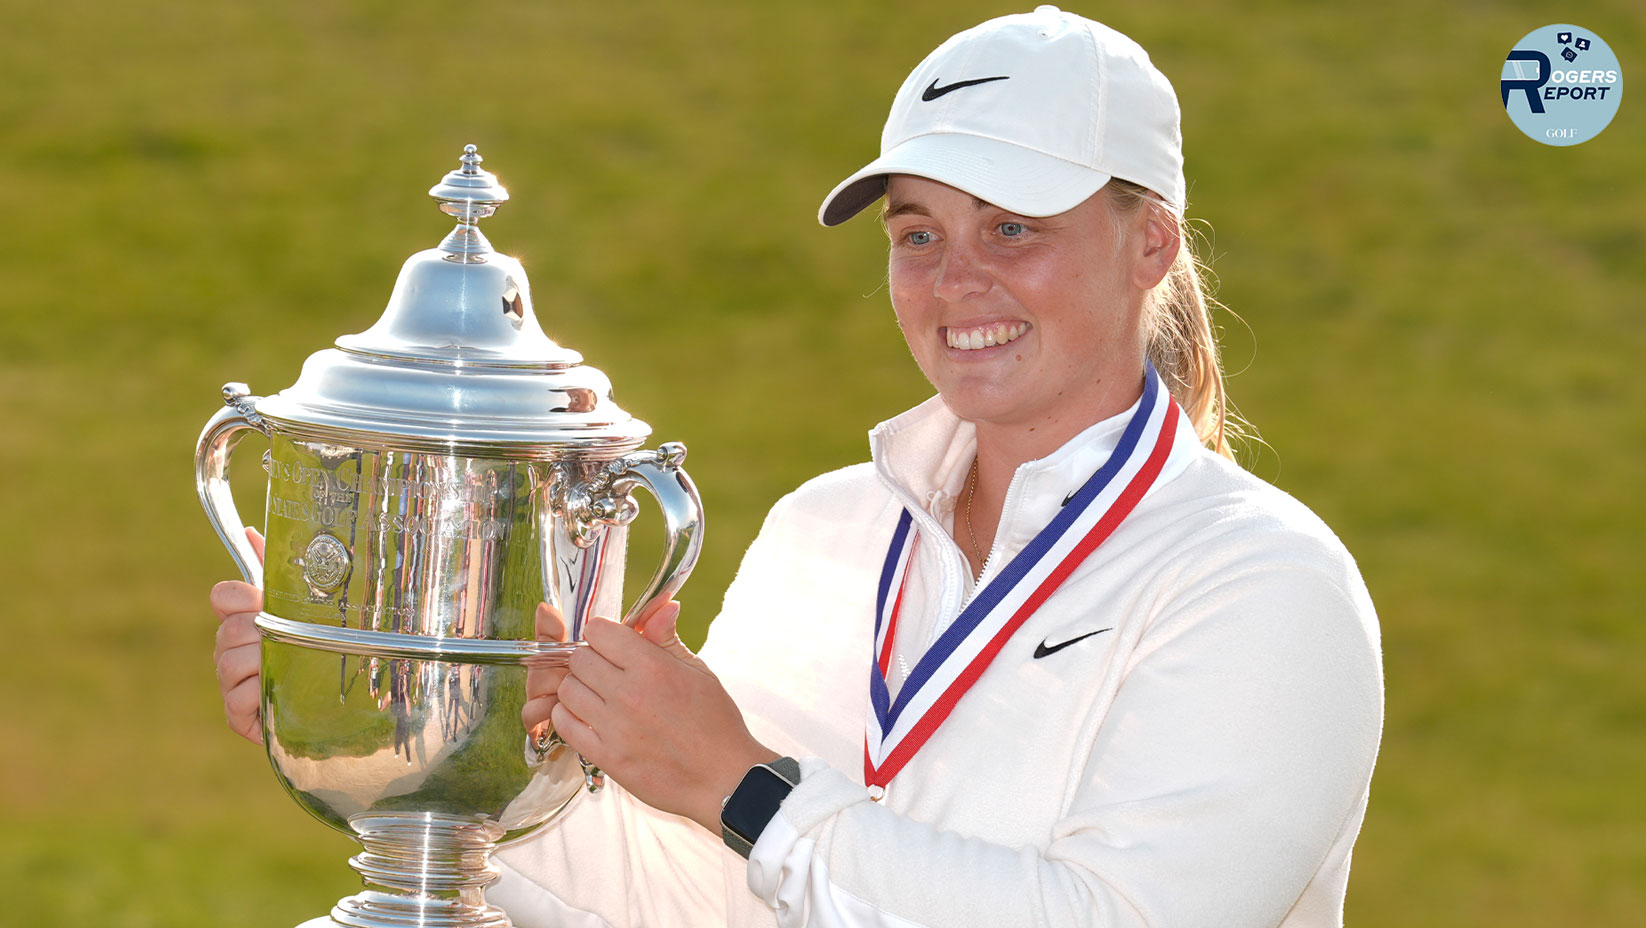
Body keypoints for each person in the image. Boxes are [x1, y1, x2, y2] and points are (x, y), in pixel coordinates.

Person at [213, 7, 1382, 926]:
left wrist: (746, 786)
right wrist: (436, 732)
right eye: (918, 232)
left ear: (1153, 242)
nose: (955, 279)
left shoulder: (1265, 584)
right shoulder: (832, 527)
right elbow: (704, 899)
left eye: (1013, 228)